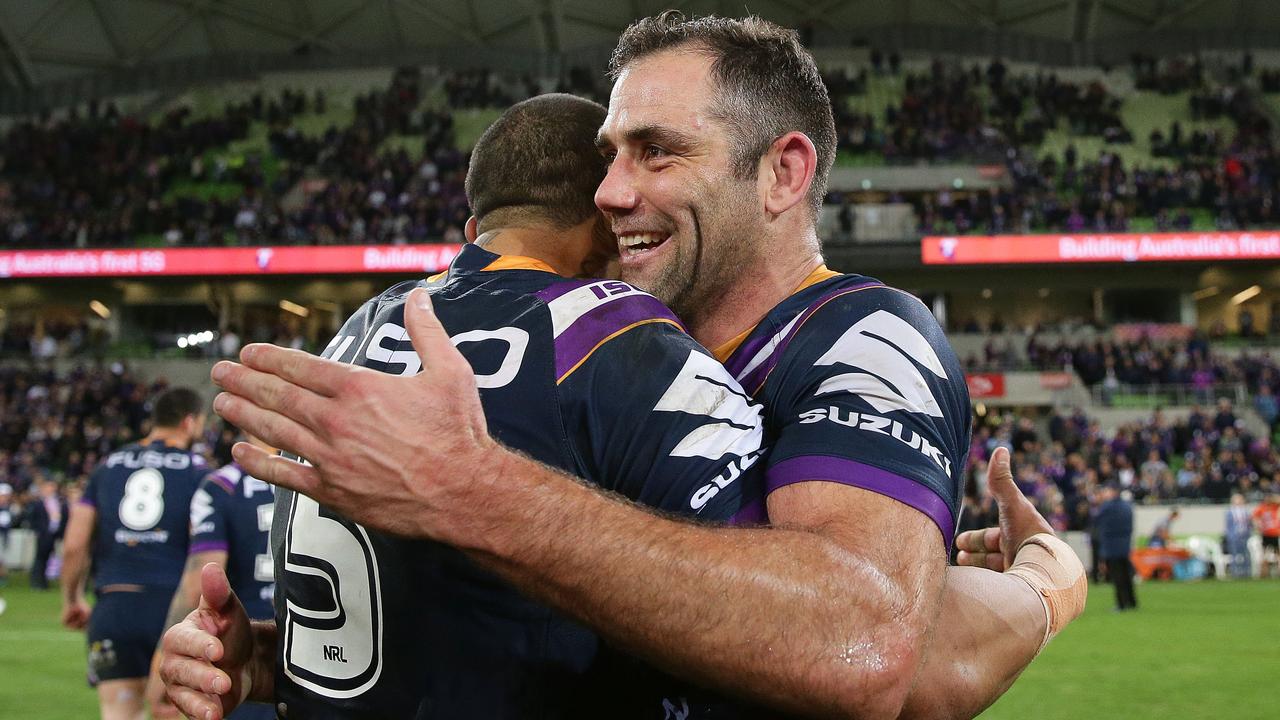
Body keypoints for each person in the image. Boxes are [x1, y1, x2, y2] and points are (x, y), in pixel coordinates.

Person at [165, 17, 1084, 719]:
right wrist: (269, 659)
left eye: (656, 151)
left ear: (782, 172)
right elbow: (564, 606)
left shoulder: (863, 339)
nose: (608, 192)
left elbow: (869, 644)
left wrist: (1047, 583)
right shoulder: (605, 352)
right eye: (608, 156)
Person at [164, 93, 773, 719]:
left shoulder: (361, 330)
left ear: (473, 231)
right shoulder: (620, 340)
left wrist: (267, 661)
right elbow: (771, 624)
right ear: (605, 219)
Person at [60, 387, 209, 720]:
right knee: (173, 711)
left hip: (115, 607)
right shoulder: (200, 472)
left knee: (119, 712)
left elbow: (74, 544)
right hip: (171, 609)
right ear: (190, 422)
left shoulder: (106, 466)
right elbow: (203, 548)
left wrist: (71, 599)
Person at [145, 433, 279, 720]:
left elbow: (202, 580)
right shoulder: (320, 478)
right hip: (323, 653)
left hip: (241, 651)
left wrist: (162, 666)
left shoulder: (221, 486)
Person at [1095, 485, 1137, 611]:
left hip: (1112, 547)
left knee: (1117, 576)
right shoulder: (1127, 506)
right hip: (1125, 545)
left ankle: (1121, 603)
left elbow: (1097, 520)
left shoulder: (1107, 507)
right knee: (1127, 575)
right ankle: (1132, 601)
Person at [27, 478, 68, 590]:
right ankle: (36, 582)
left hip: (54, 534)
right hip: (43, 535)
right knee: (40, 559)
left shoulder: (58, 502)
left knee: (50, 558)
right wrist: (38, 531)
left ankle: (44, 582)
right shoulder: (39, 503)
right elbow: (33, 519)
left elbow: (63, 517)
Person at [1224, 493, 1253, 579]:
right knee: (1234, 555)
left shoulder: (1246, 512)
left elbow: (1249, 525)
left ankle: (1247, 572)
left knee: (1246, 555)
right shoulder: (1229, 512)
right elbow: (1228, 526)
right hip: (1234, 537)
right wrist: (1230, 536)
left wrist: (1249, 533)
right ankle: (1235, 572)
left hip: (1245, 536)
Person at [1253, 492, 1280, 578]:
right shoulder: (1262, 508)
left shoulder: (1274, 507)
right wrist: (1258, 526)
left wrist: (1273, 498)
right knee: (1264, 555)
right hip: (1266, 534)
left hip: (1275, 533)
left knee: (1278, 554)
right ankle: (1263, 573)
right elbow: (1254, 517)